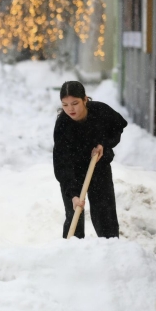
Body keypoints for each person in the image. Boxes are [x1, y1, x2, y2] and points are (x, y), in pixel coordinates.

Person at [53, 81, 128, 239]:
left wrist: (104, 144)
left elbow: (117, 127)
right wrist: (73, 194)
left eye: (75, 103)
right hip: (73, 172)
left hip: (98, 168)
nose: (70, 109)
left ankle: (110, 248)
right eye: (65, 105)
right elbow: (62, 162)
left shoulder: (100, 111)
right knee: (74, 214)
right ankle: (73, 251)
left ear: (85, 99)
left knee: (105, 214)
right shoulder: (62, 125)